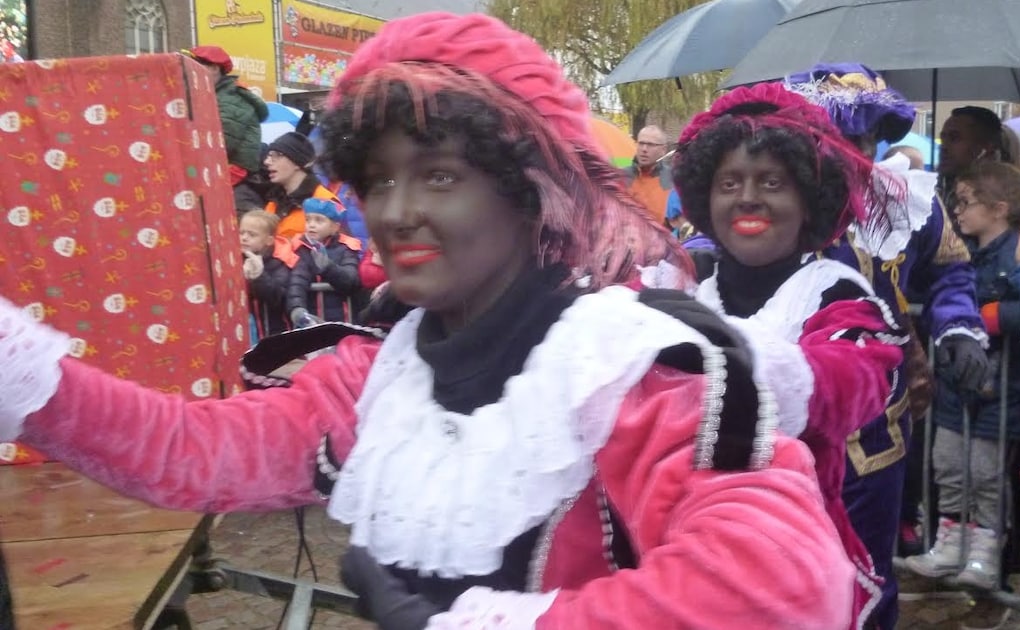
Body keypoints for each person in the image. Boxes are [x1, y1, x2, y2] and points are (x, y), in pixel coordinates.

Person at [0, 12, 859, 629]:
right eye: (377, 179)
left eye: (439, 175)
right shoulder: (383, 376)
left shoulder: (634, 373)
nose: (396, 210)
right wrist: (21, 370)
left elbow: (779, 590)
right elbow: (192, 453)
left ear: (531, 193)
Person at [668, 81, 908, 627]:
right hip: (680, 549)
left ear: (807, 200)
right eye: (729, 182)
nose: (748, 197)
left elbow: (848, 383)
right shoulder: (683, 285)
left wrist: (708, 350)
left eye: (771, 182)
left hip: (789, 558)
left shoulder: (838, 293)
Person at [783, 63, 987, 629]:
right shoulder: (779, 193)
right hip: (789, 400)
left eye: (866, 137)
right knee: (784, 555)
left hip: (881, 410)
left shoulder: (908, 199)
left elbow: (950, 273)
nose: (854, 150)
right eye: (838, 136)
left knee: (869, 562)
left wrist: (958, 329)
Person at [907, 161, 1020, 590]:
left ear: (999, 208)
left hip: (1001, 391)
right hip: (954, 388)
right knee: (947, 463)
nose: (958, 211)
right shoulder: (957, 251)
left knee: (985, 473)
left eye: (966, 203)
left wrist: (995, 316)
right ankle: (951, 540)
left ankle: (986, 546)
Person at [182, 45, 269, 208]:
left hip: (234, 174)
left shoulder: (232, 99)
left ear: (214, 68)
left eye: (197, 66)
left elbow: (220, 142)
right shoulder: (211, 95)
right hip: (220, 171)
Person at [286, 198, 363, 326]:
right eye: (308, 219)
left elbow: (351, 281)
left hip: (342, 319)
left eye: (319, 220)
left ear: (334, 227)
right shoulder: (303, 248)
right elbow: (297, 282)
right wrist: (297, 309)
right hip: (312, 320)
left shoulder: (347, 248)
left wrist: (328, 267)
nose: (311, 225)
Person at [263, 131, 341, 240]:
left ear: (297, 162)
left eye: (276, 155)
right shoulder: (273, 201)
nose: (267, 162)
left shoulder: (325, 201)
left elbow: (337, 251)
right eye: (269, 156)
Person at [240, 209, 296, 342]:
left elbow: (278, 297)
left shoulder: (281, 261)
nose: (244, 238)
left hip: (277, 334)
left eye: (252, 235)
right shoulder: (234, 259)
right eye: (241, 232)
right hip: (249, 335)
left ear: (269, 240)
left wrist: (259, 276)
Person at [625, 125, 673, 223]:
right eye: (641, 143)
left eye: (650, 145)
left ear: (663, 150)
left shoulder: (673, 180)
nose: (644, 149)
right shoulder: (619, 176)